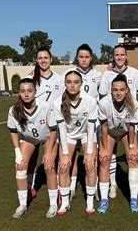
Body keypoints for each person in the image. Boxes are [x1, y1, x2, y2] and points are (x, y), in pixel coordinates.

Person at [6, 78, 58, 219]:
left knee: (49, 166)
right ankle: (22, 204)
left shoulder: (45, 106)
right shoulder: (14, 110)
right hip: (29, 139)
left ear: (35, 91)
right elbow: (13, 131)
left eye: (29, 91)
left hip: (48, 138)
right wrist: (17, 152)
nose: (26, 94)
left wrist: (48, 152)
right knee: (20, 166)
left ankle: (53, 203)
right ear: (19, 93)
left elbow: (53, 129)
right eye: (22, 91)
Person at [99, 45, 138, 199]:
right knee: (109, 155)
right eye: (116, 54)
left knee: (132, 155)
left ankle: (133, 194)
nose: (119, 57)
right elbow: (103, 96)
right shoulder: (107, 74)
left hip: (128, 120)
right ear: (113, 56)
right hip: (112, 120)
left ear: (126, 56)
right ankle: (113, 184)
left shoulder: (134, 72)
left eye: (122, 54)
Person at [53, 71, 98, 215]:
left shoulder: (90, 101)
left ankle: (90, 201)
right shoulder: (57, 102)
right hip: (69, 135)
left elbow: (91, 128)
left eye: (76, 82)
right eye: (69, 82)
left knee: (91, 165)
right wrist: (65, 154)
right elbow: (61, 129)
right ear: (65, 84)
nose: (72, 85)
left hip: (86, 134)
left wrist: (89, 153)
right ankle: (65, 202)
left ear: (81, 84)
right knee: (63, 166)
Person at [63, 44, 102, 201]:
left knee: (92, 156)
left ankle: (95, 188)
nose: (84, 59)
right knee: (73, 155)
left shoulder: (99, 75)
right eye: (81, 56)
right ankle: (71, 188)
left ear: (91, 58)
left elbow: (103, 95)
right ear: (77, 57)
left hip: (91, 122)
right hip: (72, 122)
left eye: (87, 57)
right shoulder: (68, 73)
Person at [97, 74, 138, 213]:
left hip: (126, 131)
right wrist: (103, 148)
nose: (118, 93)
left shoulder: (134, 103)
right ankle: (104, 199)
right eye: (115, 90)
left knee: (133, 158)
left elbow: (132, 126)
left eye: (122, 89)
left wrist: (132, 147)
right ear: (111, 90)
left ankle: (133, 198)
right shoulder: (104, 103)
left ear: (127, 90)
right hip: (109, 131)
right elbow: (103, 126)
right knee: (104, 159)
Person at [26, 47, 64, 198]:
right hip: (33, 123)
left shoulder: (59, 79)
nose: (43, 60)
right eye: (40, 58)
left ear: (51, 59)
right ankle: (30, 186)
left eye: (45, 58)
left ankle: (60, 188)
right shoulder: (30, 78)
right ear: (36, 60)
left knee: (53, 158)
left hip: (52, 124)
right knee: (31, 157)